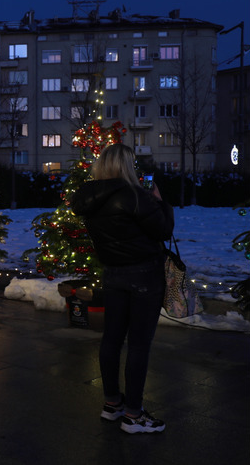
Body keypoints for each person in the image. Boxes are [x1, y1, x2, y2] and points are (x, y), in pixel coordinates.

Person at [71, 143, 174, 434]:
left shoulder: (89, 197)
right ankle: (133, 415)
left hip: (112, 275)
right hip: (144, 276)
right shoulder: (135, 196)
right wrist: (161, 203)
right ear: (127, 165)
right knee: (139, 344)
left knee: (112, 339)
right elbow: (164, 230)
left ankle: (113, 405)